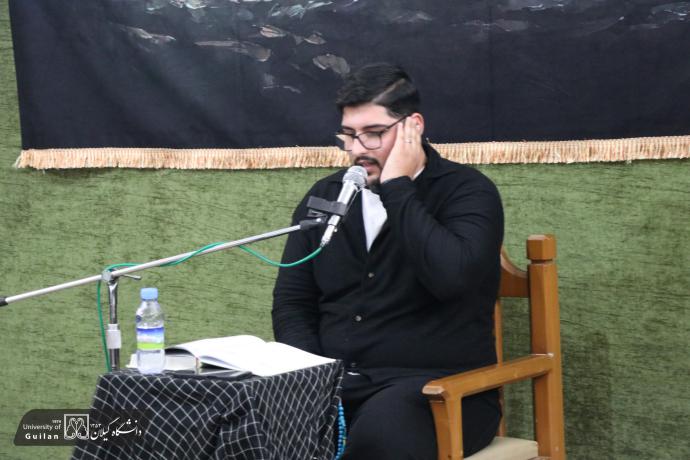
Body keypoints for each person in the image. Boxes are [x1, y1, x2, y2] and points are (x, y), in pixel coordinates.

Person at [272, 63, 504, 459]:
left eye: (373, 133)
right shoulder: (326, 196)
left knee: (381, 432)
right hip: (336, 386)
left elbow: (453, 279)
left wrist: (398, 187)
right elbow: (293, 302)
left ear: (413, 126)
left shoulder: (468, 191)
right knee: (244, 416)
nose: (357, 149)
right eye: (348, 135)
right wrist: (311, 380)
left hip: (440, 392)